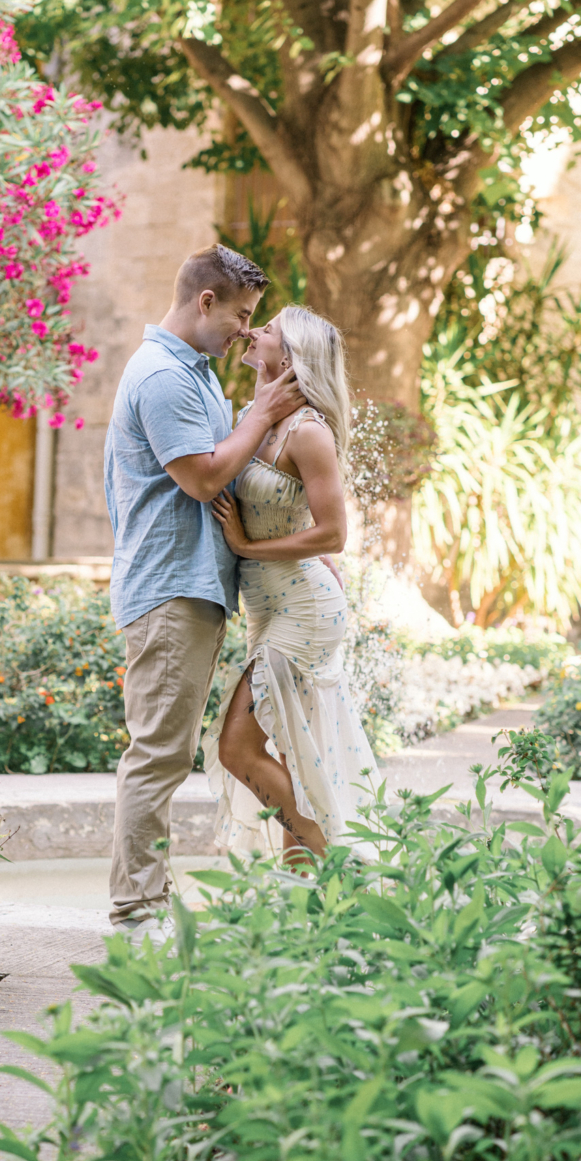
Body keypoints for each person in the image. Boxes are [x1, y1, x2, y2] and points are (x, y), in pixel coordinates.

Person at [103, 244, 305, 930]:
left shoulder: (191, 374)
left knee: (165, 752)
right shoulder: (163, 377)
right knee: (157, 756)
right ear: (205, 302)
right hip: (169, 590)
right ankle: (137, 911)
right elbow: (203, 477)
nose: (245, 332)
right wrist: (259, 414)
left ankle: (145, 902)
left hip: (192, 589)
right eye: (241, 316)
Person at [202, 306, 381, 865]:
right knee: (290, 754)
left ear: (291, 354)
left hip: (303, 611)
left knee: (236, 746)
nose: (255, 332)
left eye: (270, 329)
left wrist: (249, 549)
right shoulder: (250, 418)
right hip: (266, 608)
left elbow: (333, 534)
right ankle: (304, 892)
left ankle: (328, 860)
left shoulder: (307, 433)